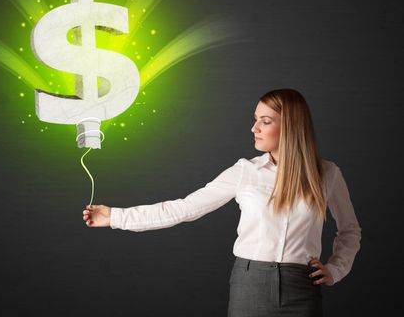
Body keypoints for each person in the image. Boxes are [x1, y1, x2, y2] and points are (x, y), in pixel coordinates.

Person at [82, 88, 362, 316]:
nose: (254, 128)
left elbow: (350, 230)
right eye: (255, 119)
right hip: (250, 285)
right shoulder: (245, 171)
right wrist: (115, 217)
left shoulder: (327, 174)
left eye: (266, 121)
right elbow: (184, 208)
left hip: (303, 289)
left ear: (291, 126)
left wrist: (335, 270)